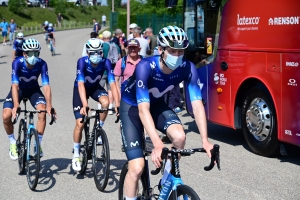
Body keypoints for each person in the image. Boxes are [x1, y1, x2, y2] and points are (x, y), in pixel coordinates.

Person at [119, 25, 214, 200]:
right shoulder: (145, 67)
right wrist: (157, 142)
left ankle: (166, 179)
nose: (177, 56)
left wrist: (205, 141)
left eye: (181, 51)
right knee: (137, 168)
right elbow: (142, 109)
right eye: (173, 51)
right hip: (131, 108)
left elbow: (197, 105)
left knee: (180, 137)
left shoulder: (187, 67)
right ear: (161, 49)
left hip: (155, 104)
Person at [2, 38, 55, 160]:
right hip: (19, 90)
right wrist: (16, 105)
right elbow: (14, 85)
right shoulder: (17, 63)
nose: (34, 56)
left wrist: (49, 104)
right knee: (6, 116)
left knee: (42, 112)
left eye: (36, 53)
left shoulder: (42, 64)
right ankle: (12, 142)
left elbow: (46, 86)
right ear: (24, 54)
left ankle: (38, 143)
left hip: (33, 90)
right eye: (31, 53)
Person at [71, 38, 120, 172]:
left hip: (94, 88)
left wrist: (118, 103)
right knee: (80, 123)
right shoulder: (82, 62)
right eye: (92, 53)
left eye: (98, 52)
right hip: (80, 90)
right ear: (88, 52)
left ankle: (98, 129)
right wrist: (85, 104)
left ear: (102, 52)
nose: (96, 56)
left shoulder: (106, 63)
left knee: (106, 102)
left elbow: (113, 83)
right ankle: (76, 155)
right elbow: (81, 84)